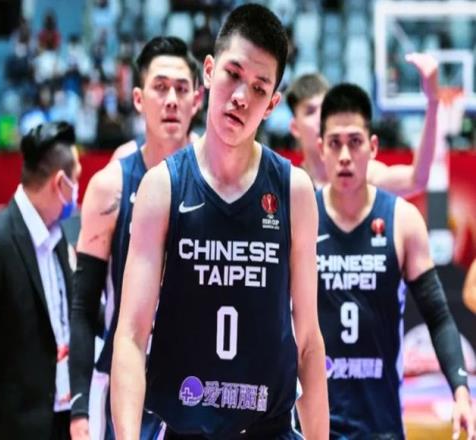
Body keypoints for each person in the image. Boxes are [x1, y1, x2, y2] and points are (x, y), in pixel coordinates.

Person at [111, 4, 329, 439]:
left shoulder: (294, 191)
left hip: (269, 428)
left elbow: (308, 340)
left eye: (259, 88)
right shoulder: (163, 187)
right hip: (187, 425)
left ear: (272, 104)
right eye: (233, 74)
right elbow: (131, 335)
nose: (242, 96)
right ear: (209, 71)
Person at [315, 83, 474, 439]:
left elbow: (438, 316)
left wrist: (461, 391)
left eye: (355, 142)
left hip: (381, 425)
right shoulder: (302, 216)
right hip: (313, 426)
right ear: (320, 148)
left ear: (373, 147)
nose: (345, 155)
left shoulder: (402, 220)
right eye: (335, 143)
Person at [68, 36, 202, 440]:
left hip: (200, 380)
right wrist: (79, 409)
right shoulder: (110, 186)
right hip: (126, 383)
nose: (172, 100)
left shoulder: (219, 185)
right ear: (139, 99)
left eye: (182, 89)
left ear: (198, 99)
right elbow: (83, 306)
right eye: (160, 87)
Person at [0, 121, 81, 439]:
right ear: (60, 182)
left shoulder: (58, 237)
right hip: (11, 428)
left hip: (60, 419)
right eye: (77, 180)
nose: (78, 191)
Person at [286, 53, 439, 195]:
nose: (320, 118)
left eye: (325, 109)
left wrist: (433, 101)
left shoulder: (363, 175)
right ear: (295, 127)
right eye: (310, 112)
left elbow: (417, 180)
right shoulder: (289, 187)